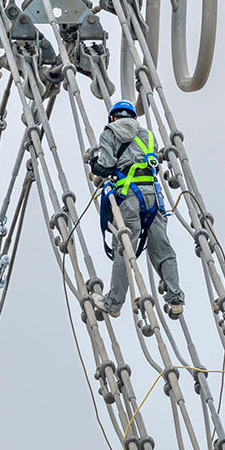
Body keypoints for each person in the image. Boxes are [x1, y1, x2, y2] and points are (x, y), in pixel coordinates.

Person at [86, 100, 184, 319]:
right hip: (153, 197)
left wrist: (93, 163)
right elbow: (155, 165)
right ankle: (175, 298)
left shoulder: (109, 134)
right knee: (162, 248)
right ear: (134, 118)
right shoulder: (148, 135)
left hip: (129, 197)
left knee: (124, 248)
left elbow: (106, 167)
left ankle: (114, 302)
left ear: (112, 118)